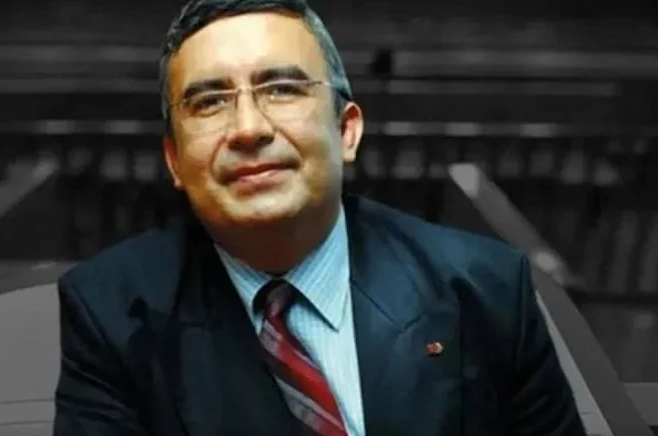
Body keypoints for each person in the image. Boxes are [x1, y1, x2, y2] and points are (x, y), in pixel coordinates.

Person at [53, 0, 587, 434]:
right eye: (210, 102)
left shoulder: (490, 289)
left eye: (282, 89)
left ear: (347, 131)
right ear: (174, 160)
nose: (248, 129)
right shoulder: (107, 312)